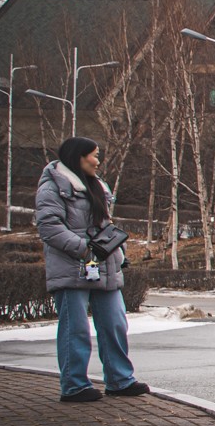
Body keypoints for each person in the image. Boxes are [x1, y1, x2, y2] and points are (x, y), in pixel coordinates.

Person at [37, 136, 146, 403]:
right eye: (94, 155)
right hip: (71, 266)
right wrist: (84, 249)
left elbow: (103, 224)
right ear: (78, 156)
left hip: (103, 265)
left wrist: (117, 249)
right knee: (75, 328)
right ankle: (74, 385)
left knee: (115, 323)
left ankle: (120, 380)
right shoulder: (53, 186)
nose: (98, 161)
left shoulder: (96, 185)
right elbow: (49, 227)